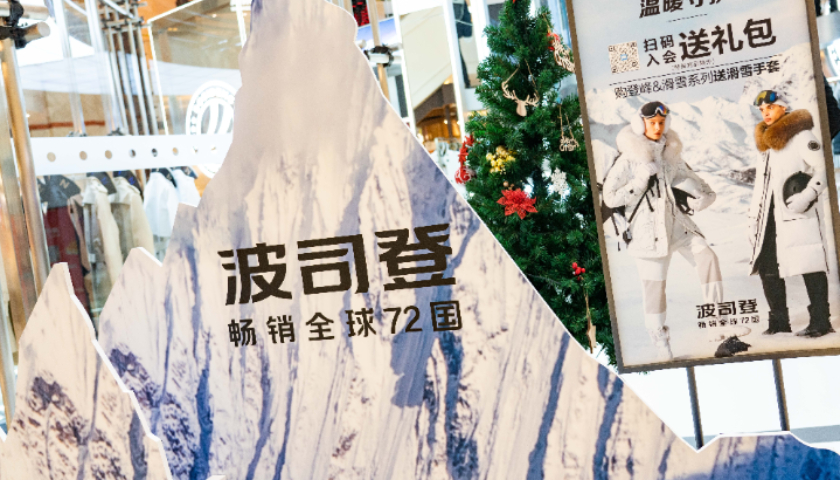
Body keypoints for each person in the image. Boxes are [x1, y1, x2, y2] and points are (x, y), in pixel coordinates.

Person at [604, 101, 746, 361]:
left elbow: (693, 179)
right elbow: (610, 198)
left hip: (678, 227)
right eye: (652, 123)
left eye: (661, 123)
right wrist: (640, 180)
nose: (657, 127)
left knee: (708, 258)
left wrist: (706, 197)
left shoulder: (670, 154)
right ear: (640, 124)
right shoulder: (628, 159)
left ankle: (716, 323)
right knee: (655, 291)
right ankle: (660, 341)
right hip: (647, 236)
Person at [748, 90, 835, 338]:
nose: (765, 113)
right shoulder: (766, 143)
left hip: (795, 212)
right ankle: (779, 323)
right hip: (768, 216)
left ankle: (821, 321)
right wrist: (753, 216)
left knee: (810, 263)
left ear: (783, 107)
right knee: (767, 266)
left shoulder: (801, 136)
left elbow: (824, 167)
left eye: (770, 107)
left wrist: (807, 195)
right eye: (762, 110)